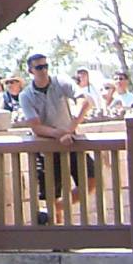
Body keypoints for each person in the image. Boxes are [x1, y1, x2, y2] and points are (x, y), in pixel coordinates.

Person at [16, 53, 89, 217]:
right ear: (31, 71)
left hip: (71, 140)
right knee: (51, 193)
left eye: (45, 66)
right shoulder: (26, 95)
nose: (43, 70)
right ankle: (55, 222)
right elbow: (36, 126)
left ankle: (54, 210)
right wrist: (59, 134)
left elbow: (83, 101)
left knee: (91, 181)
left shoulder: (61, 81)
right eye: (39, 67)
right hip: (46, 147)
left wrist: (70, 129)